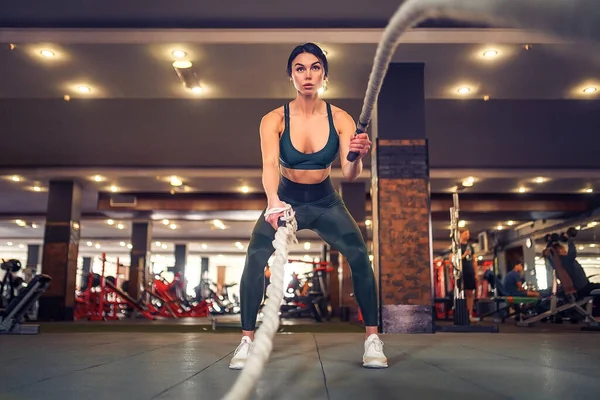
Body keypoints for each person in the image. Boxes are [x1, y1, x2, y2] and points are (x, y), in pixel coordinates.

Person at [229, 42, 387, 370]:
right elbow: (270, 165)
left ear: (324, 74)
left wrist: (359, 153)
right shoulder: (273, 119)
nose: (308, 75)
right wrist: (273, 202)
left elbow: (351, 173)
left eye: (315, 67)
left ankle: (372, 339)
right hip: (285, 198)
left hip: (325, 200)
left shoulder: (341, 118)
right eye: (300, 68)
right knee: (256, 256)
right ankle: (246, 340)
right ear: (291, 75)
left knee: (359, 253)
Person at [458, 229, 477, 322]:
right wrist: (464, 255)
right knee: (460, 294)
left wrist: (476, 273)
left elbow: (474, 260)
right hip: (461, 272)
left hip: (469, 272)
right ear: (460, 234)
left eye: (468, 233)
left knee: (470, 293)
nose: (467, 235)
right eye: (465, 233)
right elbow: (453, 260)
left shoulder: (470, 247)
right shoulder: (457, 246)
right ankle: (461, 314)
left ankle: (469, 314)